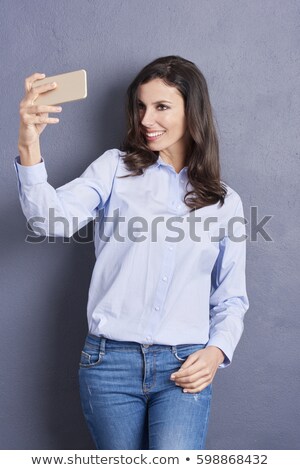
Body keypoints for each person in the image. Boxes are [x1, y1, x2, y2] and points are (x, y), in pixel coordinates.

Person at [15, 55, 249, 450]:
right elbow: (49, 221)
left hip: (184, 366)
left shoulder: (225, 203)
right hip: (109, 365)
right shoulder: (113, 169)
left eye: (161, 107)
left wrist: (217, 351)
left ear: (193, 111)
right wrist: (28, 142)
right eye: (141, 107)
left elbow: (231, 298)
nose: (145, 120)